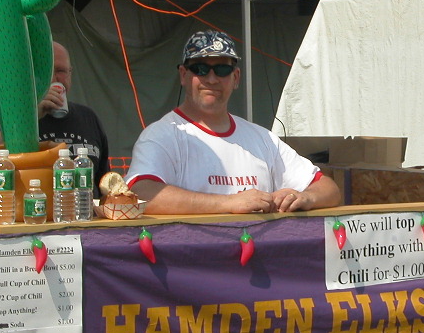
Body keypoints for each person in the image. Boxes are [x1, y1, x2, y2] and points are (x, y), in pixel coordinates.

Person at [126, 30, 341, 215]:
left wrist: (305, 197)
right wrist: (229, 203)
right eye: (200, 69)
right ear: (183, 75)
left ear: (236, 77)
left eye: (222, 69)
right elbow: (139, 194)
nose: (211, 79)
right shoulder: (162, 135)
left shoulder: (263, 138)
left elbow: (328, 189)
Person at [0, 42, 110, 188]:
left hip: (80, 202)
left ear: (70, 74)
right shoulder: (4, 114)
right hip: (31, 201)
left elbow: (103, 181)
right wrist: (30, 117)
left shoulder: (88, 117)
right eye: (46, 70)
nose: (53, 78)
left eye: (61, 71)